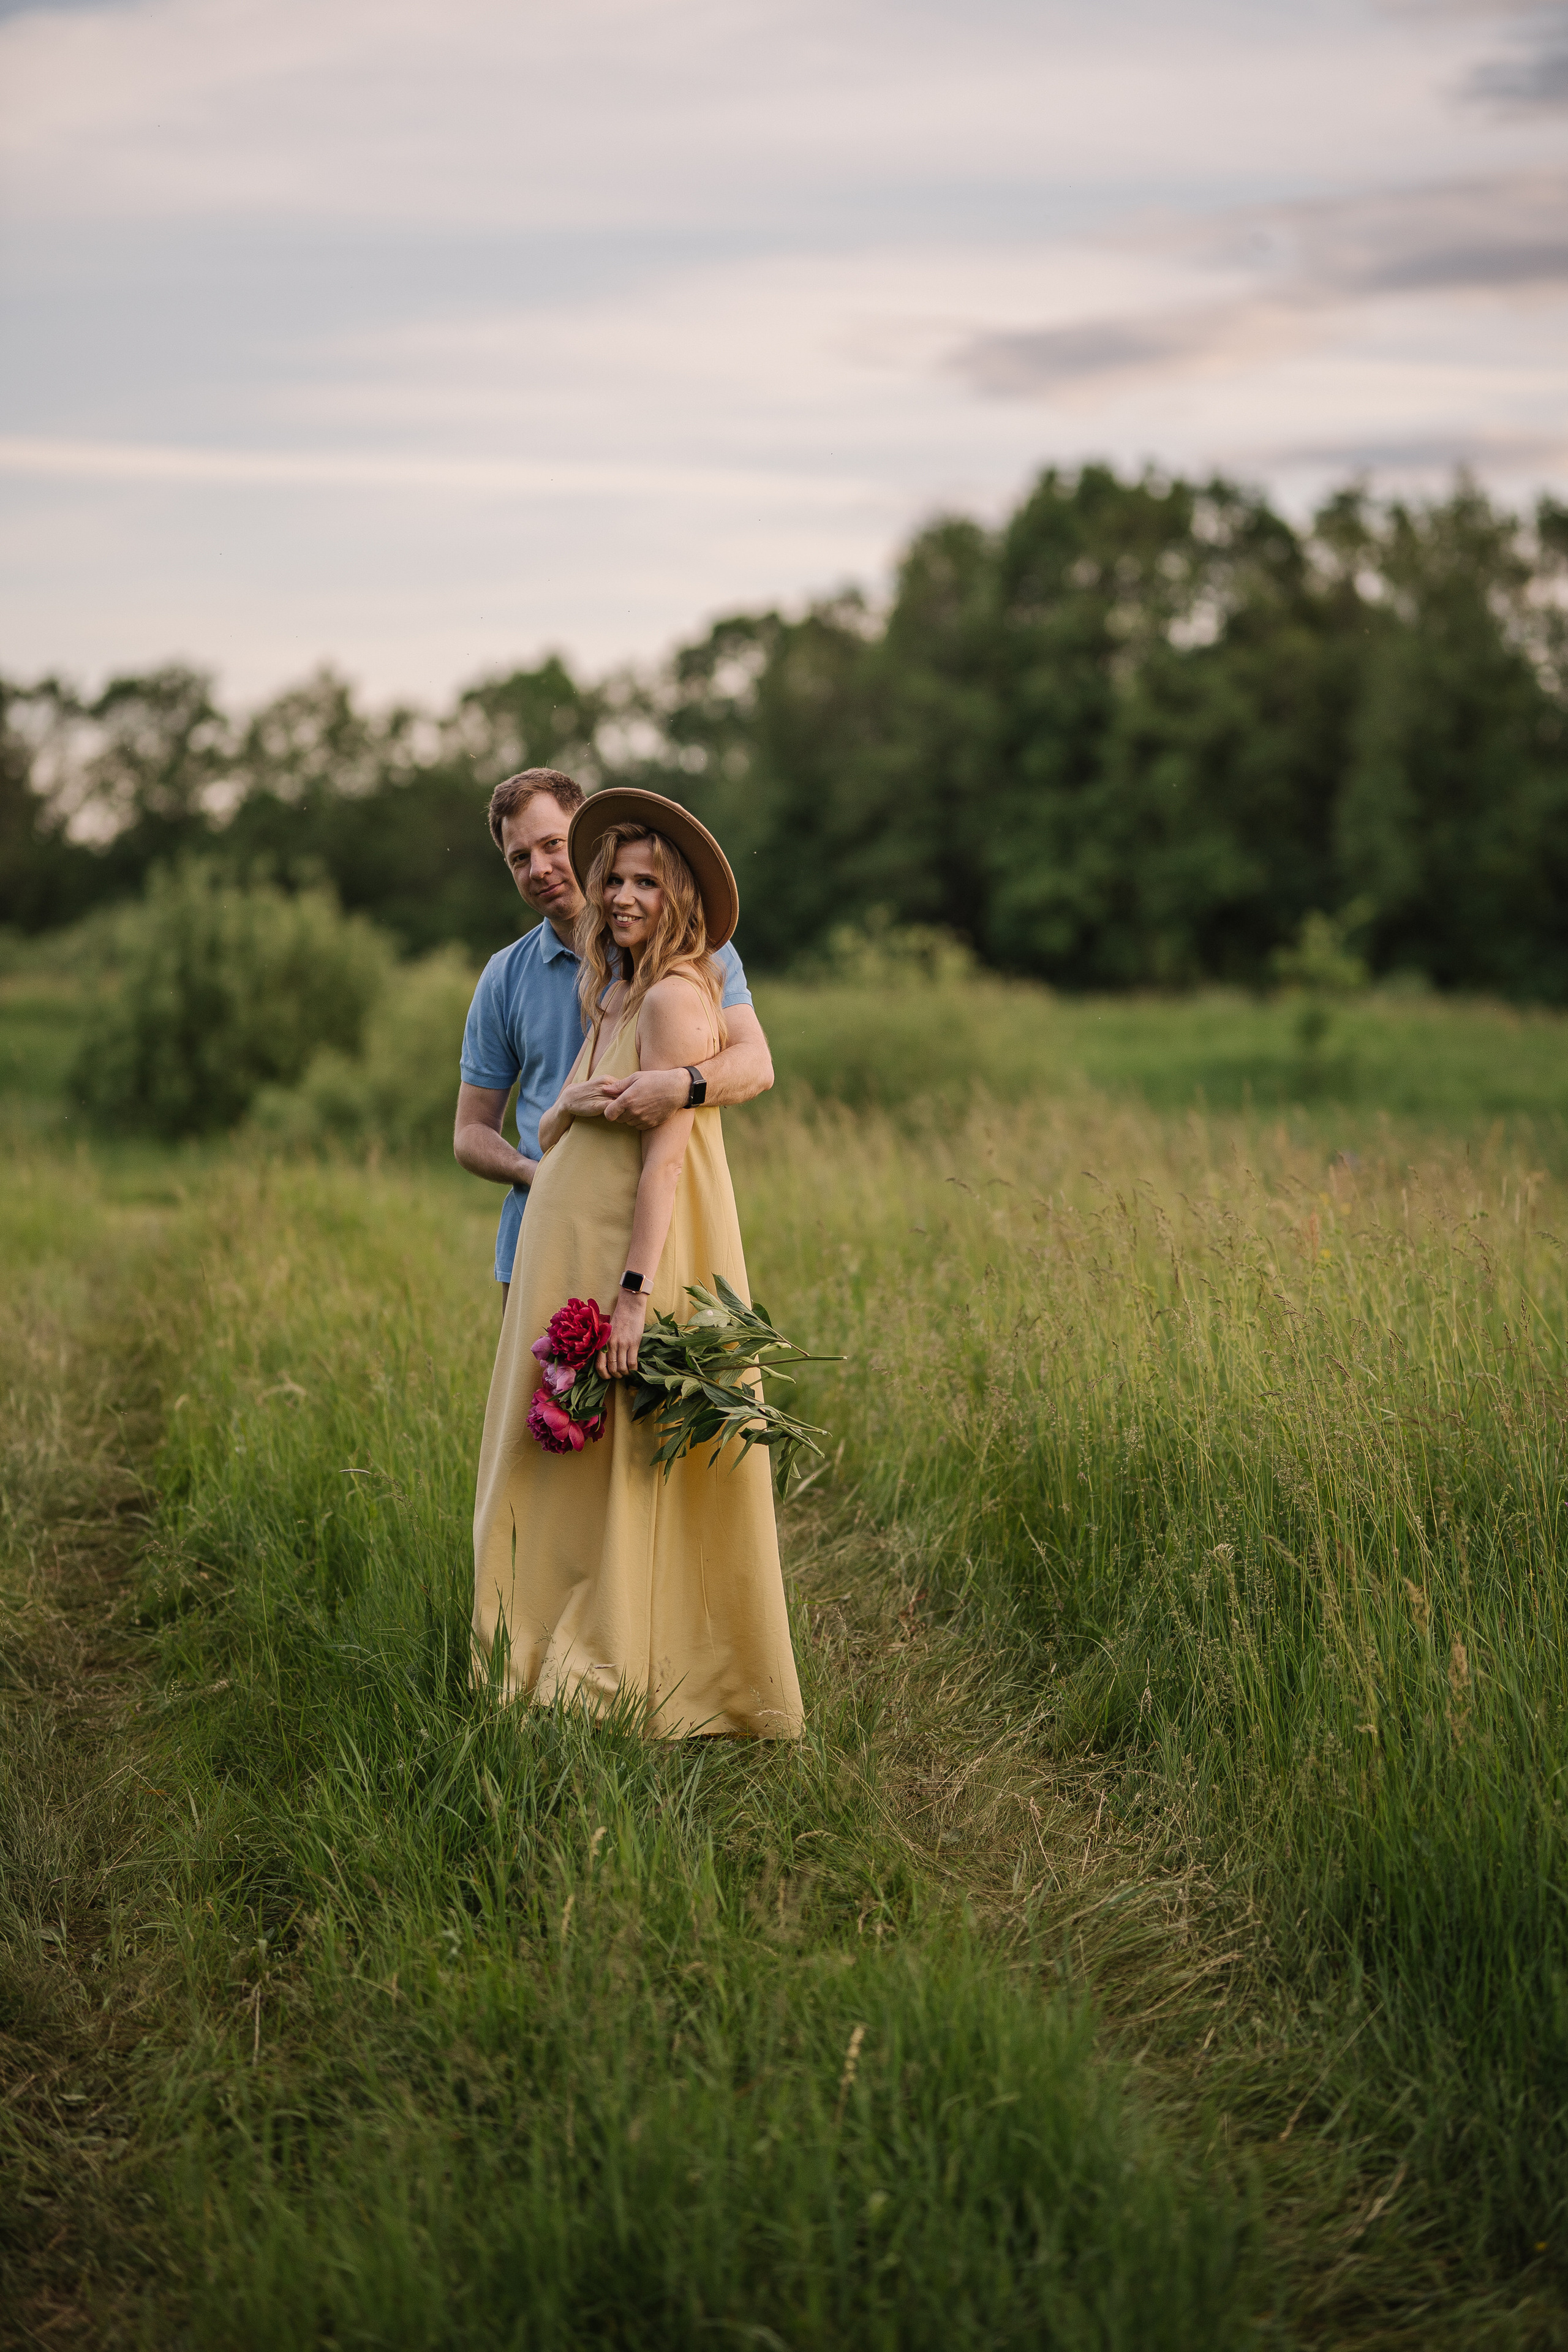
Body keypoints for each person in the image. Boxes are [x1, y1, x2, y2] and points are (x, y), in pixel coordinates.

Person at [471, 789, 804, 1740]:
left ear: (676, 894)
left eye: (638, 882)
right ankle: (545, 1660)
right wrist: (572, 1117)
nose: (610, 893)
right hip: (551, 1246)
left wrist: (628, 1296)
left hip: (620, 1258)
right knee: (543, 1464)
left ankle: (633, 1673)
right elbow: (522, 1121)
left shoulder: (673, 990)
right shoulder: (595, 982)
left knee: (627, 1472)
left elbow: (681, 1143)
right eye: (609, 878)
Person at [453, 767, 775, 1314]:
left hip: (656, 1234)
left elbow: (756, 1065)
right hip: (541, 1237)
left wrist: (680, 1086)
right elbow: (469, 1133)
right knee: (539, 1399)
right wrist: (540, 1173)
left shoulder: (698, 949)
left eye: (553, 845)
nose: (540, 868)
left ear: (585, 840)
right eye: (519, 858)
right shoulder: (504, 976)